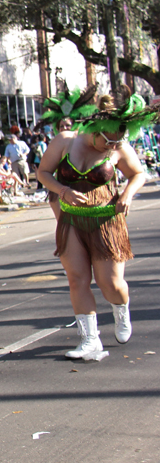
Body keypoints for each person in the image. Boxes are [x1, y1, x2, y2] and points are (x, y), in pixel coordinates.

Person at [37, 88, 156, 361]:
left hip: (107, 221)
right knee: (77, 279)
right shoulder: (66, 141)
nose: (113, 146)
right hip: (71, 221)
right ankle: (90, 341)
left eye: (118, 142)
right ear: (96, 129)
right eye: (109, 141)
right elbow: (42, 172)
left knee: (110, 283)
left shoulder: (119, 147)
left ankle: (121, 309)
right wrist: (63, 190)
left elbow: (139, 174)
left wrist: (126, 194)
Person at [41, 85, 98, 218]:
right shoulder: (55, 144)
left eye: (68, 125)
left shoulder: (84, 142)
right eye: (61, 126)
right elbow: (44, 171)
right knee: (63, 224)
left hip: (83, 188)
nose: (65, 128)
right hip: (59, 188)